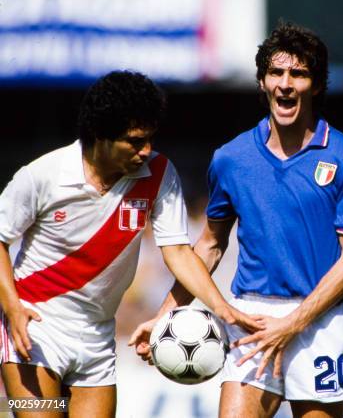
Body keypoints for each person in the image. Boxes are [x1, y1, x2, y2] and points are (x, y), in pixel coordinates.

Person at [131, 22, 343, 417]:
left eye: (298, 74)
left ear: (315, 85)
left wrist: (294, 323)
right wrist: (165, 316)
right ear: (262, 82)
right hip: (252, 319)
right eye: (276, 73)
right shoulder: (231, 157)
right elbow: (209, 245)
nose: (285, 84)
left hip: (323, 323)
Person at [0, 71, 259, 418]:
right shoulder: (42, 175)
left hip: (97, 337)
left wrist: (223, 310)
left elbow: (179, 253)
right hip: (33, 331)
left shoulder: (159, 173)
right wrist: (13, 308)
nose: (146, 150)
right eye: (135, 141)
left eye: (150, 138)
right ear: (99, 136)